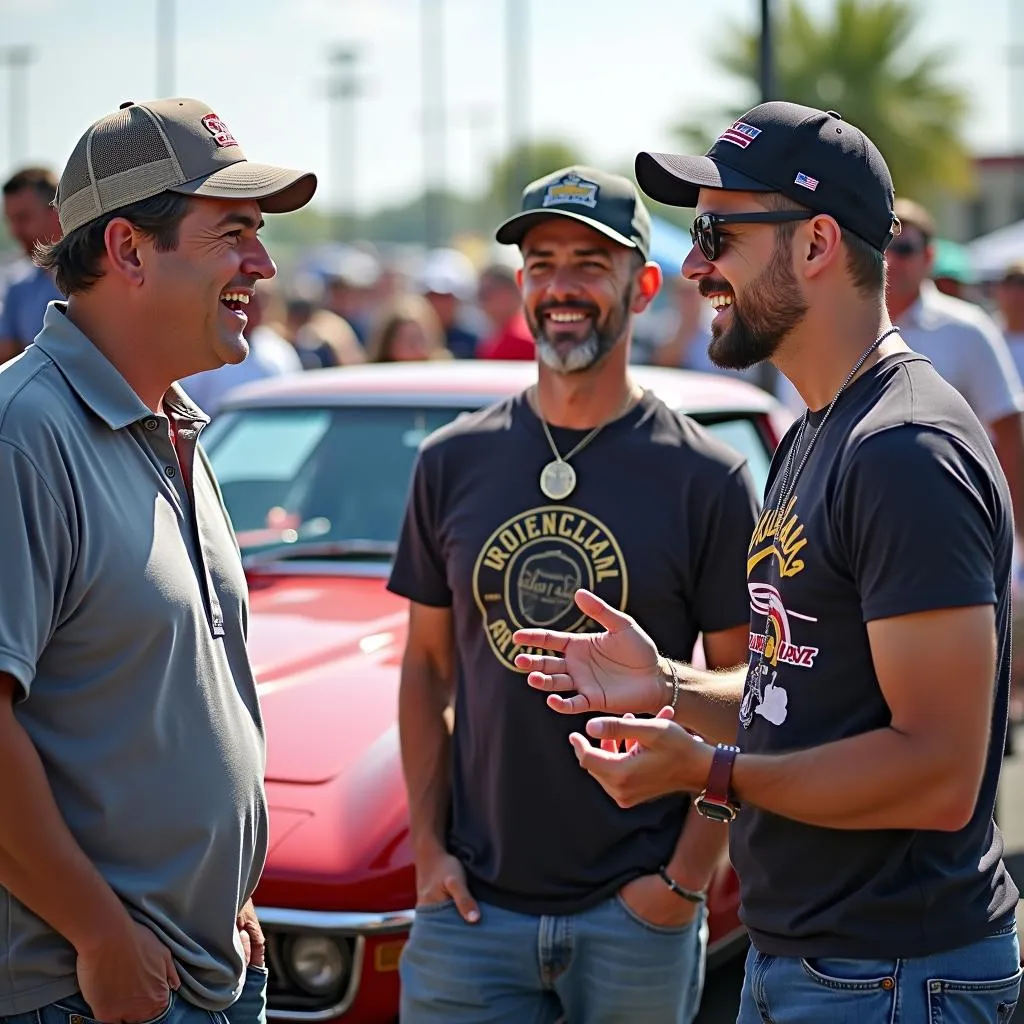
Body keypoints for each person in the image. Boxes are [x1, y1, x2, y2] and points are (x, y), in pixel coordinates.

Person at [515, 104, 1021, 1023]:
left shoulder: (903, 447)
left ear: (818, 242)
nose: (699, 265)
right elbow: (808, 694)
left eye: (719, 233)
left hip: (892, 978)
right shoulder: (823, 428)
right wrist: (666, 684)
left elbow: (940, 772)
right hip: (821, 965)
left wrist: (706, 773)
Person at [388, 164, 760, 1023]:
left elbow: (754, 697)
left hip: (636, 916)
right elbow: (426, 670)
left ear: (644, 286)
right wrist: (426, 852)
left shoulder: (706, 477)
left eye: (591, 264)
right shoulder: (451, 461)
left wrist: (685, 879)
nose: (563, 287)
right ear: (520, 285)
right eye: (543, 262)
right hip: (471, 913)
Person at [0, 97, 316, 1024]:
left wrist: (224, 899)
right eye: (233, 235)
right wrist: (98, 932)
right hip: (88, 989)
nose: (261, 266)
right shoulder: (25, 432)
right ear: (130, 250)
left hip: (195, 968)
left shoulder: (169, 422)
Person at [885, 198, 1024, 540]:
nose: (891, 259)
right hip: (871, 520)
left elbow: (1007, 431)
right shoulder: (846, 327)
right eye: (883, 245)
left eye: (904, 248)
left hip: (959, 522)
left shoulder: (969, 329)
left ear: (928, 258)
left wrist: (1015, 532)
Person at [180, 281, 302, 415]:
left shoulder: (279, 350)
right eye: (249, 300)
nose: (257, 308)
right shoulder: (204, 349)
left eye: (263, 301)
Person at [0, 167, 63, 361]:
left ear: (56, 213)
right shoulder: (18, 289)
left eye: (23, 218)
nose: (14, 231)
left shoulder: (101, 277)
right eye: (10, 221)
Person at [418, 247, 481, 359]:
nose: (439, 304)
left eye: (445, 298)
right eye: (433, 297)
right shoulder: (409, 340)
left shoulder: (475, 342)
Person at [365, 293, 452, 363]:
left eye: (421, 339)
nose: (418, 347)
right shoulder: (372, 379)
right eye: (410, 340)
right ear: (389, 343)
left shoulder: (442, 373)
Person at [475, 262, 536, 359]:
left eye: (486, 293)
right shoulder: (496, 338)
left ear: (510, 293)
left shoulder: (521, 340)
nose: (481, 301)